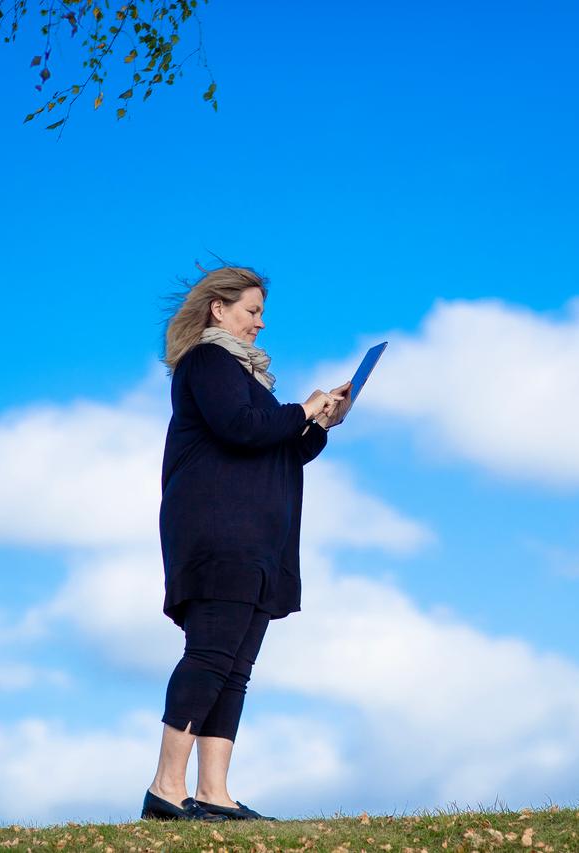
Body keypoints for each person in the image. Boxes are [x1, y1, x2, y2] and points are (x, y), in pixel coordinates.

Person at [141, 265, 349, 823]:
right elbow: (240, 427)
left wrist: (318, 424)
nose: (261, 323)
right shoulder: (208, 363)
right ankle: (166, 788)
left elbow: (279, 448)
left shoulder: (249, 380)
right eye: (252, 311)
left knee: (234, 667)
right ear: (219, 309)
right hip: (219, 533)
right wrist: (301, 409)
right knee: (210, 655)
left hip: (258, 539)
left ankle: (213, 793)